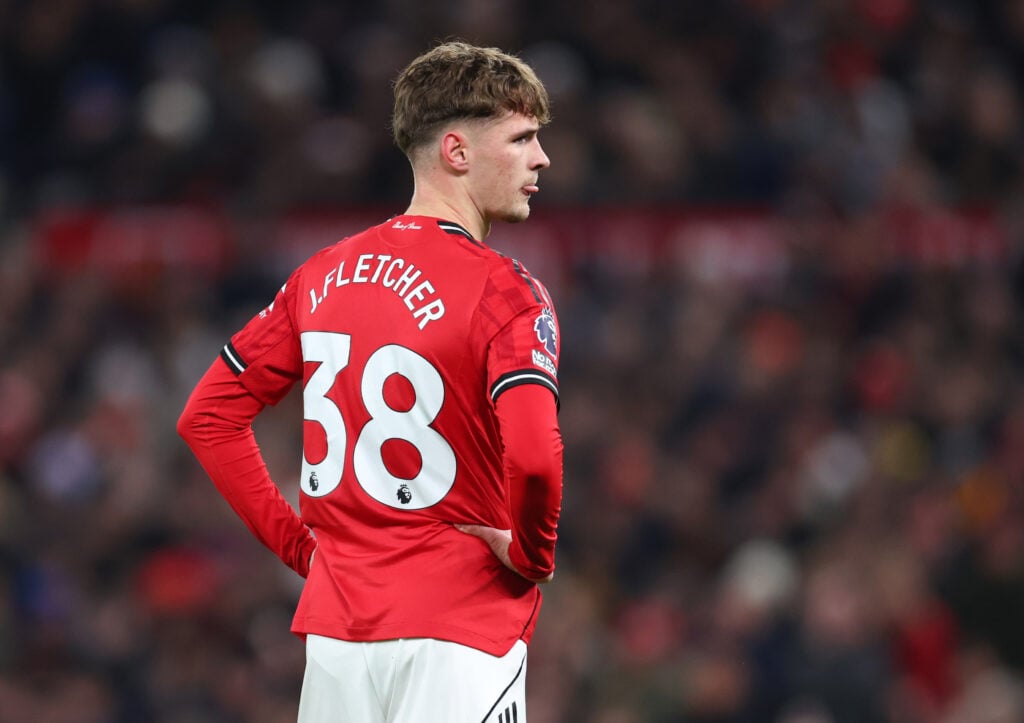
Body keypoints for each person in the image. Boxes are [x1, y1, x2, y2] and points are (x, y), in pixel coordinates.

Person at [177, 40, 563, 722]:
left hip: (337, 640)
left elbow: (207, 416)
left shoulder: (320, 274)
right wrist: (532, 554)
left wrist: (303, 550)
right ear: (457, 151)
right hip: (461, 629)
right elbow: (534, 458)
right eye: (521, 138)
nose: (542, 159)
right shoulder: (507, 292)